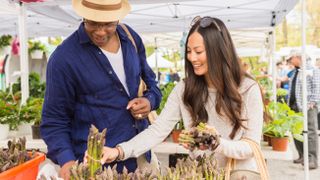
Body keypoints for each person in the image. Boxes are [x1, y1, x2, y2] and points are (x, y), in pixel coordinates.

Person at [96, 16, 265, 174]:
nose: (192, 58)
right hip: (199, 173)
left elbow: (251, 146)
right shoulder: (185, 88)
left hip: (237, 174)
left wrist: (216, 142)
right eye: (189, 51)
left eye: (198, 52)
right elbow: (158, 130)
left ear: (218, 51)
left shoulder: (248, 89)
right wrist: (119, 151)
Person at [40, 0, 161, 179]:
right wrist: (66, 161)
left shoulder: (131, 38)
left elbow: (152, 85)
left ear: (118, 18)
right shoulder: (63, 59)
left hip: (141, 156)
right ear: (83, 16)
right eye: (93, 23)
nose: (100, 31)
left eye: (108, 24)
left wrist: (149, 101)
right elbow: (54, 120)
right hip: (97, 167)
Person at [287, 51, 319, 169]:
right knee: (297, 131)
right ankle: (302, 155)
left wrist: (312, 102)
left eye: (291, 58)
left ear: (298, 57)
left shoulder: (312, 69)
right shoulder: (296, 70)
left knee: (310, 132)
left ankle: (312, 159)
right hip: (295, 106)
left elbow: (317, 87)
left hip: (308, 106)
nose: (290, 60)